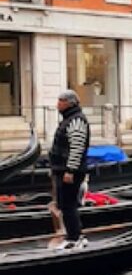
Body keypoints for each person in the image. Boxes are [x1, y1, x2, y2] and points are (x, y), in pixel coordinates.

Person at [49, 90, 91, 250]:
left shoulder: (76, 121)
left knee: (68, 205)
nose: (57, 104)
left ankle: (75, 238)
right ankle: (73, 236)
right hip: (63, 169)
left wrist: (70, 171)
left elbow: (77, 148)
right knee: (65, 204)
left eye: (60, 101)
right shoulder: (69, 119)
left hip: (70, 171)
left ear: (70, 103)